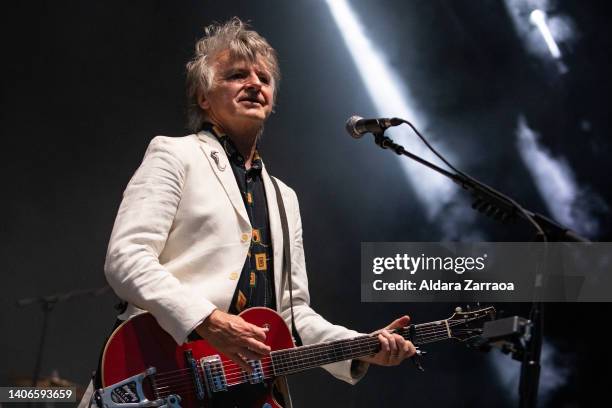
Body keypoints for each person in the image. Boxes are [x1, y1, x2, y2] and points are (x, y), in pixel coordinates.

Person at [101, 17, 415, 405]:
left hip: (246, 392)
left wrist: (362, 346)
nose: (254, 84)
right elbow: (126, 258)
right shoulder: (174, 154)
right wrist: (207, 321)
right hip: (164, 376)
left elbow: (294, 315)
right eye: (236, 75)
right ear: (203, 96)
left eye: (264, 79)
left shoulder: (284, 198)